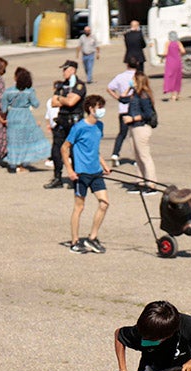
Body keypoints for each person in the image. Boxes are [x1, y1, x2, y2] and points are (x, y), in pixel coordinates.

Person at [62, 94, 111, 254]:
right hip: (81, 173)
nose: (102, 110)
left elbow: (94, 149)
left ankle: (92, 238)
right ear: (91, 109)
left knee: (104, 203)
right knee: (79, 207)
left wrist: (104, 165)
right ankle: (75, 241)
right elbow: (64, 148)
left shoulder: (100, 126)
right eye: (99, 107)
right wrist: (69, 169)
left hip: (96, 172)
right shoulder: (79, 127)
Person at [44, 60, 86, 189]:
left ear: (72, 70)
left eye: (65, 69)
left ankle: (76, 178)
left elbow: (72, 102)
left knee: (74, 151)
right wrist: (65, 100)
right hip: (62, 120)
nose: (63, 72)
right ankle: (57, 177)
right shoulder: (61, 86)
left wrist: (63, 100)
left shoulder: (79, 85)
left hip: (74, 121)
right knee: (56, 150)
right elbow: (53, 102)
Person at [0, 67, 51, 173]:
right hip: (25, 117)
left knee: (13, 141)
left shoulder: (8, 91)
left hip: (13, 116)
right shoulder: (29, 91)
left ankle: (14, 163)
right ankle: (22, 163)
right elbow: (36, 104)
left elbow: (3, 108)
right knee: (26, 141)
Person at [123, 72, 158, 194]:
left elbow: (148, 114)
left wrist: (133, 118)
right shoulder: (134, 94)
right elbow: (122, 98)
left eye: (133, 80)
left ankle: (152, 184)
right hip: (133, 128)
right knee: (137, 156)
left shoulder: (144, 96)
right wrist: (129, 88)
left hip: (141, 128)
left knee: (144, 156)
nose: (131, 81)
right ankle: (140, 181)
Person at [106, 57, 137, 167]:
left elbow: (109, 88)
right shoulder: (138, 76)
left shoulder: (120, 77)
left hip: (123, 108)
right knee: (134, 134)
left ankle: (115, 154)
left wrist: (118, 97)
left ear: (127, 65)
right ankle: (136, 158)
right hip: (135, 109)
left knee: (122, 133)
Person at [160, 31, 185, 101]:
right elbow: (183, 51)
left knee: (170, 77)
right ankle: (178, 94)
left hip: (170, 62)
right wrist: (178, 53)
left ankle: (173, 95)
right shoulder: (178, 43)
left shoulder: (167, 43)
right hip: (177, 61)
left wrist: (162, 56)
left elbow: (165, 53)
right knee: (177, 77)